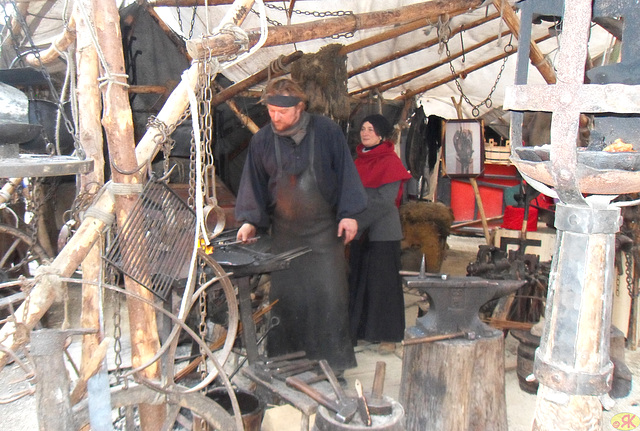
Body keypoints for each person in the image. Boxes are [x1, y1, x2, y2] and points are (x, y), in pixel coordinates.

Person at [234, 77, 367, 372]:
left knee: (329, 299)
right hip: (285, 236)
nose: (275, 117)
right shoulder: (262, 141)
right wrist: (249, 221)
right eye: (271, 112)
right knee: (287, 301)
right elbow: (253, 183)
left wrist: (349, 213)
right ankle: (285, 363)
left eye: (281, 112)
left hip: (324, 236)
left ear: (300, 108)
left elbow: (346, 172)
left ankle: (332, 366)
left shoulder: (327, 132)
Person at [348, 114, 412, 354]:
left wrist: (357, 221)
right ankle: (364, 331)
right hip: (359, 230)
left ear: (382, 135)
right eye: (363, 128)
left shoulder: (390, 162)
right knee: (360, 281)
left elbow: (385, 202)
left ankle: (389, 335)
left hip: (382, 231)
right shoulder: (358, 161)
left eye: (371, 129)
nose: (365, 133)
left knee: (384, 285)